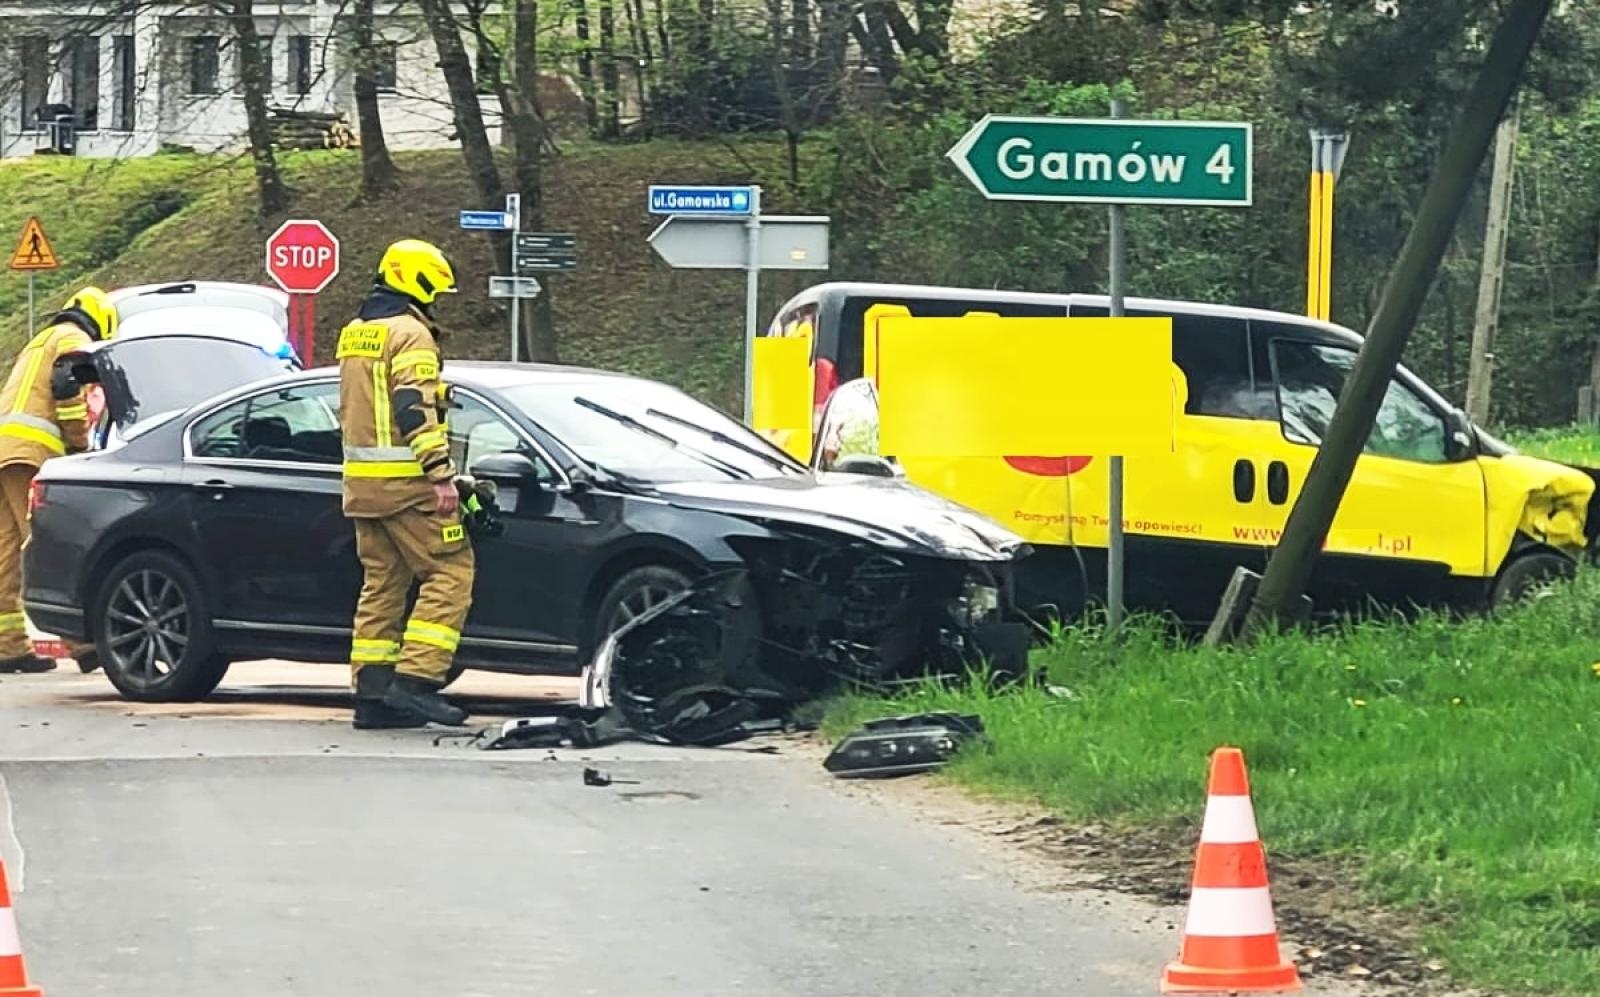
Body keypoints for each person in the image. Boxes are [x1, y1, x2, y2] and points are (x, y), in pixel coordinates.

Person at [338, 239, 474, 729]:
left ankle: (372, 697)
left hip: (363, 487)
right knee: (451, 573)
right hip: (407, 484)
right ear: (416, 282)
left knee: (382, 586)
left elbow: (376, 402)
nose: (435, 300)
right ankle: (416, 682)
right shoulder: (411, 335)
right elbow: (410, 406)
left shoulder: (358, 331)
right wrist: (441, 474)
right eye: (434, 291)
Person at [0, 287, 115, 673]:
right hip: (32, 453)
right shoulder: (73, 337)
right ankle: (81, 644)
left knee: (8, 552)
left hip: (5, 450)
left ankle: (9, 646)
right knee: (45, 544)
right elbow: (67, 383)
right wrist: (80, 445)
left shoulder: (39, 341)